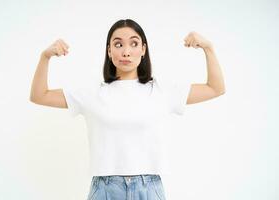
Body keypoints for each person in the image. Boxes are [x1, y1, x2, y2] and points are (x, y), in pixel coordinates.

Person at [30, 19, 225, 200]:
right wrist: (45, 57)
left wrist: (208, 48)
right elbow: (40, 95)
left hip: (148, 188)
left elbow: (215, 88)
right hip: (105, 189)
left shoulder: (162, 90)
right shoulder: (91, 93)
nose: (126, 52)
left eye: (133, 44)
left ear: (143, 49)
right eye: (118, 44)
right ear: (109, 51)